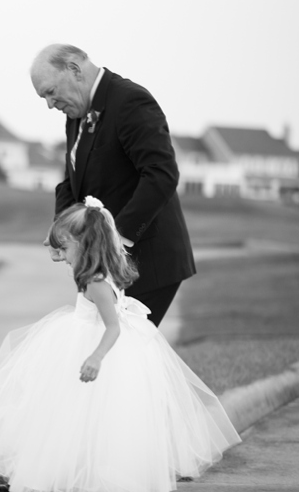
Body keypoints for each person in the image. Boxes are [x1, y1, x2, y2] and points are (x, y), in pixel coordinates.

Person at [0, 198, 240, 492]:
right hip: (78, 339)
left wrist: (95, 357)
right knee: (62, 422)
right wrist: (57, 240)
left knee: (71, 421)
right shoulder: (93, 268)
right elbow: (61, 253)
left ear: (84, 244)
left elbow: (113, 327)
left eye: (64, 250)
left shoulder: (96, 283)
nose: (60, 258)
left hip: (93, 347)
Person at [31, 43, 196, 328]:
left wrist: (116, 238)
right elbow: (71, 180)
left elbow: (161, 173)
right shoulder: (75, 113)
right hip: (109, 262)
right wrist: (62, 228)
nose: (49, 103)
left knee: (122, 354)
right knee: (109, 354)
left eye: (50, 91)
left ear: (74, 69)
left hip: (147, 260)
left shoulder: (130, 101)